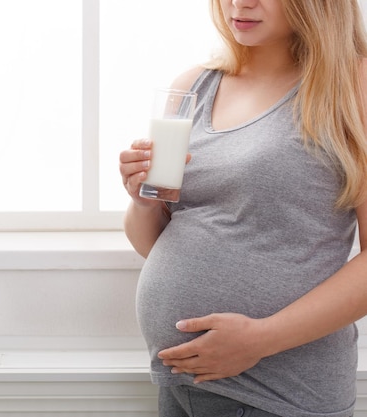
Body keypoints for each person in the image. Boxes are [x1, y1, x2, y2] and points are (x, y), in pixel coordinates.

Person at [119, 0, 367, 416]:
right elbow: (157, 244)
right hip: (181, 385)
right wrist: (142, 199)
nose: (240, 3)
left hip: (281, 393)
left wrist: (261, 339)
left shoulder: (353, 85)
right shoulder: (194, 86)